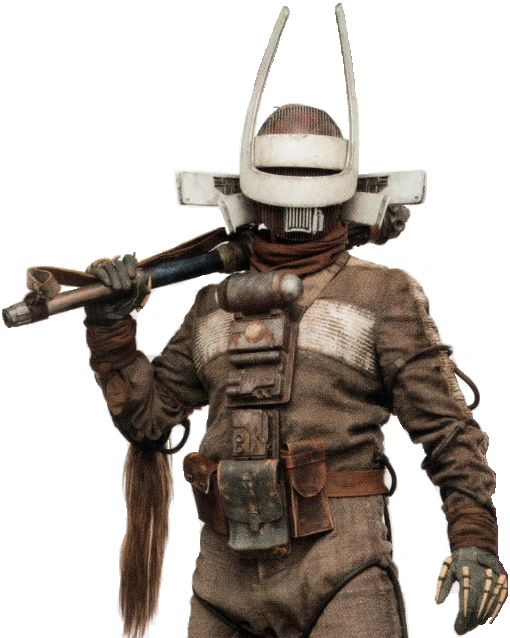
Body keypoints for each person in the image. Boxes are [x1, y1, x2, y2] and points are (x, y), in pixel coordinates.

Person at [82, 5, 506, 638]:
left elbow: (447, 430)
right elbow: (146, 420)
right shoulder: (213, 308)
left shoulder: (382, 296)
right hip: (222, 586)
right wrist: (111, 326)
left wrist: (474, 539)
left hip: (342, 571)